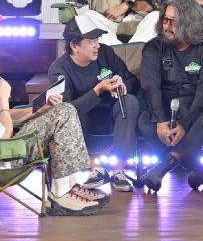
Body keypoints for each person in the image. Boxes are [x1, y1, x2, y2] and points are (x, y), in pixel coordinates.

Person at [0, 32, 106, 216]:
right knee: (65, 111)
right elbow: (3, 136)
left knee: (61, 109)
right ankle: (61, 193)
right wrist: (3, 99)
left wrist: (41, 109)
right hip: (4, 159)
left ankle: (68, 187)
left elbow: (2, 116)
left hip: (3, 150)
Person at [136, 0, 203, 192]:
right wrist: (160, 121)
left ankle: (162, 168)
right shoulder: (153, 48)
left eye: (172, 21)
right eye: (164, 20)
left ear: (189, 23)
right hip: (163, 109)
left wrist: (184, 124)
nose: (166, 26)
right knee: (144, 121)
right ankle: (197, 169)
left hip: (196, 109)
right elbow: (150, 87)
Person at [46, 18, 139, 193]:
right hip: (84, 123)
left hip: (112, 116)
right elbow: (65, 111)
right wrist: (98, 90)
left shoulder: (106, 53)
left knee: (130, 102)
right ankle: (97, 169)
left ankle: (118, 171)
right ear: (74, 45)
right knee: (69, 114)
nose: (97, 45)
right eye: (91, 41)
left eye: (97, 40)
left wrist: (123, 85)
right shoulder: (59, 69)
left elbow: (132, 80)